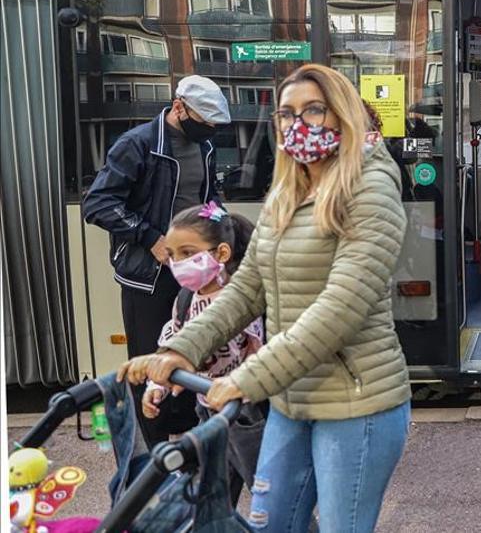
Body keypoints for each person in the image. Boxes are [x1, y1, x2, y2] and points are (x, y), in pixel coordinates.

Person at [119, 64, 412, 532]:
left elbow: (342, 307)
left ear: (342, 115)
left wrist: (247, 379)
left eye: (313, 110)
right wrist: (180, 348)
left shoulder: (370, 188)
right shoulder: (287, 191)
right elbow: (247, 288)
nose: (298, 124)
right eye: (286, 114)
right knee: (270, 523)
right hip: (291, 399)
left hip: (356, 404)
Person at [83, 74, 230, 445]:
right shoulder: (138, 144)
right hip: (148, 276)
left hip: (193, 271)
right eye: (204, 122)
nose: (209, 130)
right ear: (179, 107)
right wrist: (150, 237)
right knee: (151, 359)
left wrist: (221, 227)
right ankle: (154, 451)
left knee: (192, 352)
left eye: (214, 125)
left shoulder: (205, 147)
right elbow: (98, 203)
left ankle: (187, 444)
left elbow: (208, 198)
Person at [142, 202, 266, 506]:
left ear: (221, 254)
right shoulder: (184, 300)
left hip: (246, 416)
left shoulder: (239, 300)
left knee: (271, 497)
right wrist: (157, 385)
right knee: (209, 497)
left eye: (187, 253)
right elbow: (173, 347)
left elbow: (258, 353)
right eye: (172, 255)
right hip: (207, 412)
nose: (176, 263)